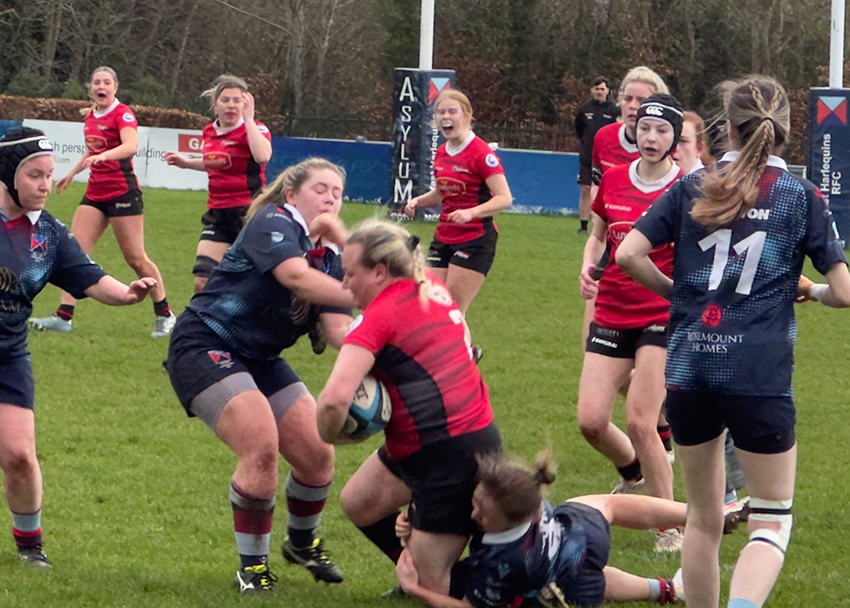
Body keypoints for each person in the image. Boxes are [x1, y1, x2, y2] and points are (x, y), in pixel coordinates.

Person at [616, 76, 850, 608]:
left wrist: (680, 294)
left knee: (703, 518)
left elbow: (628, 253)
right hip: (757, 371)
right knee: (771, 519)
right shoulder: (800, 195)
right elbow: (844, 291)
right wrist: (811, 291)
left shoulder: (692, 185)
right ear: (784, 130)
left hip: (689, 366)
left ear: (730, 126)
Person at [165, 158, 355, 593]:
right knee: (261, 445)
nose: (330, 198)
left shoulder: (333, 259)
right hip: (204, 344)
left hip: (260, 357)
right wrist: (372, 289)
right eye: (320, 189)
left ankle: (302, 544)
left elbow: (340, 332)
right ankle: (252, 569)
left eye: (337, 193)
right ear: (291, 195)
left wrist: (396, 345)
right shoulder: (273, 221)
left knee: (317, 455)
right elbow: (296, 277)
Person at [316, 219, 502, 597]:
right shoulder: (426, 282)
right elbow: (380, 252)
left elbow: (335, 399)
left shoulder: (374, 320)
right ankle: (424, 566)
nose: (344, 284)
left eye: (349, 274)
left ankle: (488, 584)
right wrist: (342, 236)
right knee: (359, 502)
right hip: (466, 436)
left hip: (444, 456)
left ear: (379, 272)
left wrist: (329, 435)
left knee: (433, 590)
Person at [0, 127, 158, 567]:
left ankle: (30, 545)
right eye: (34, 175)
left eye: (49, 175)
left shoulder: (48, 233)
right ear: (8, 174)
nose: (45, 185)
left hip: (8, 354)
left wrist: (127, 294)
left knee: (19, 456)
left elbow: (91, 278)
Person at [577, 94, 684, 553]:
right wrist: (588, 265)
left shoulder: (686, 188)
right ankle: (632, 472)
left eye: (661, 131)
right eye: (644, 128)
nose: (651, 137)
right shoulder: (616, 178)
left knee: (641, 421)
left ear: (674, 139)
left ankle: (669, 527)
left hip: (661, 312)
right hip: (612, 309)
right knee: (590, 421)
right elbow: (599, 235)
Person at [394, 451, 701, 607]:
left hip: (570, 589)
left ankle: (669, 581)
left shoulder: (501, 563)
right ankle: (697, 516)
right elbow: (613, 508)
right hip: (578, 536)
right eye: (474, 503)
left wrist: (414, 589)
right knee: (606, 507)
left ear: (512, 520)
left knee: (580, 576)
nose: (472, 514)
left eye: (482, 514)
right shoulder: (528, 500)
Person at [29, 66, 175, 337]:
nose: (101, 86)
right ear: (91, 88)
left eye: (107, 82)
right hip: (95, 194)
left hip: (122, 193)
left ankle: (165, 314)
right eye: (97, 82)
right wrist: (72, 173)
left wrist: (105, 156)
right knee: (73, 253)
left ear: (115, 88)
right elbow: (91, 150)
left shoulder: (123, 114)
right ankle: (63, 316)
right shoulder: (91, 117)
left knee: (136, 258)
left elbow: (131, 146)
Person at [403, 89, 512, 325]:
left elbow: (504, 198)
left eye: (452, 111)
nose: (445, 117)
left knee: (452, 309)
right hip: (444, 236)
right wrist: (418, 201)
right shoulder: (442, 152)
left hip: (475, 239)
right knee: (430, 301)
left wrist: (471, 213)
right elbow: (442, 192)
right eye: (440, 112)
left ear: (467, 115)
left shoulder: (481, 153)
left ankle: (464, 348)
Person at [164, 74, 273, 293]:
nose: (231, 105)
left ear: (245, 104)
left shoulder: (256, 129)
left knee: (256, 284)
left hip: (249, 213)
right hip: (218, 214)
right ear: (216, 105)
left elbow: (263, 156)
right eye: (225, 100)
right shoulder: (209, 131)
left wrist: (249, 120)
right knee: (202, 281)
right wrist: (186, 163)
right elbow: (216, 162)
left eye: (237, 100)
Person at [574, 77, 619, 234]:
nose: (599, 92)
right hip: (587, 155)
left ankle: (606, 225)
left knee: (606, 192)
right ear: (591, 90)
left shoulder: (614, 111)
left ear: (608, 91)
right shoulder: (584, 109)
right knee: (585, 189)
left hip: (607, 157)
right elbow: (579, 129)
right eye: (596, 89)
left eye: (602, 89)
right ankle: (583, 226)